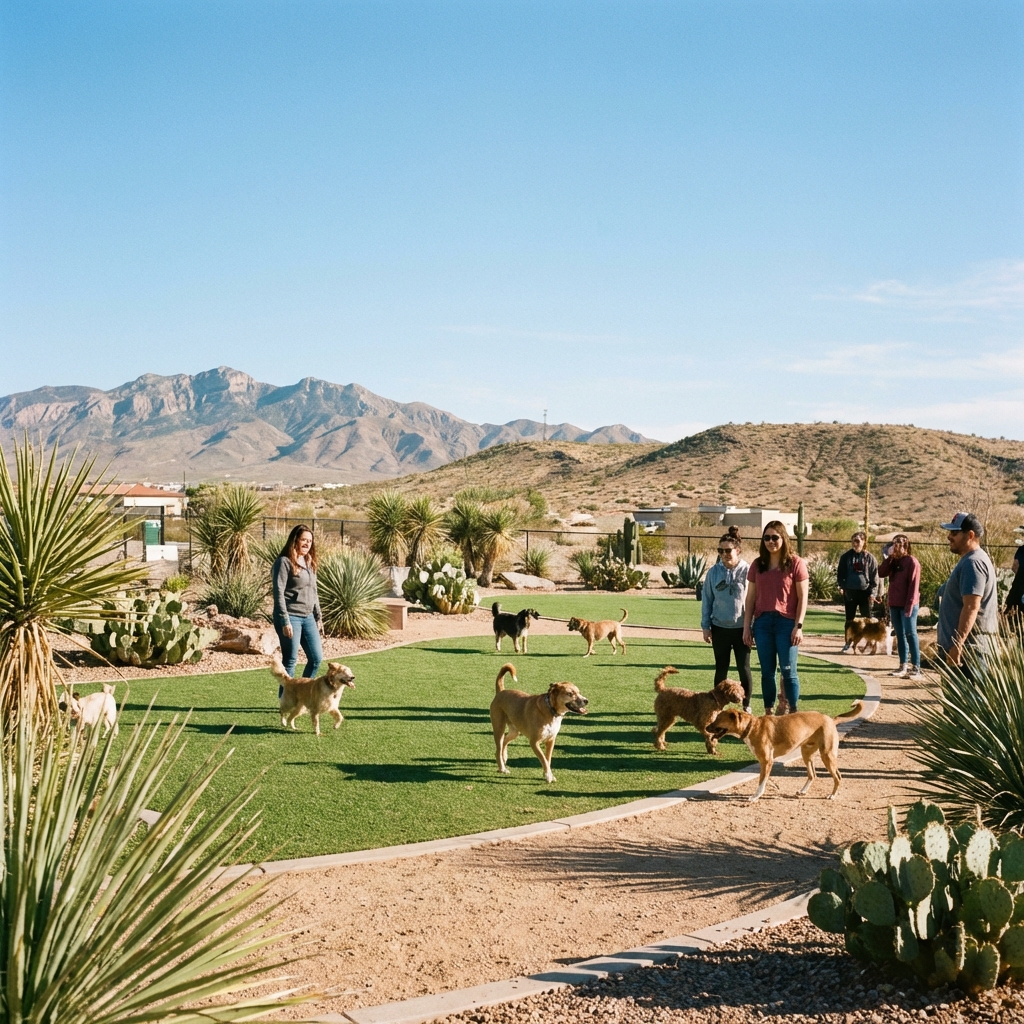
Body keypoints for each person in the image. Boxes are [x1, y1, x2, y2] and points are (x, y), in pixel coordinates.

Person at [742, 521, 809, 714]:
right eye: (767, 538)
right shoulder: (757, 564)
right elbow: (751, 598)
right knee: (767, 672)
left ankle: (793, 712)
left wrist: (799, 626)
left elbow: (803, 597)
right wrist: (747, 627)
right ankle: (769, 712)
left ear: (783, 538)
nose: (771, 542)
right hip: (762, 623)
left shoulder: (796, 563)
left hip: (786, 623)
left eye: (775, 537)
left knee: (788, 671)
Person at [936, 512, 998, 672]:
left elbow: (971, 606)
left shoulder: (973, 563)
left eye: (954, 533)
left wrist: (958, 644)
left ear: (970, 535)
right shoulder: (971, 560)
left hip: (968, 652)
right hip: (966, 650)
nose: (949, 536)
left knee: (970, 696)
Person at [701, 526, 753, 713]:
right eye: (720, 550)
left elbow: (754, 601)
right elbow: (707, 599)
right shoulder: (713, 572)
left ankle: (746, 704)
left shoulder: (748, 571)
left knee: (743, 667)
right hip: (719, 627)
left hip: (742, 628)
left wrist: (751, 627)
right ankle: (718, 706)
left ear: (737, 550)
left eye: (728, 550)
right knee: (721, 668)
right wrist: (705, 626)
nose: (724, 554)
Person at [272, 524, 324, 692]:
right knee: (290, 660)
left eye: (310, 541)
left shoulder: (309, 561)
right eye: (303, 540)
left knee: (316, 658)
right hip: (290, 616)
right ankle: (285, 700)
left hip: (308, 616)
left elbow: (313, 591)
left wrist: (318, 616)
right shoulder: (284, 562)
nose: (307, 544)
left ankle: (303, 693)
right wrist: (284, 620)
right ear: (295, 540)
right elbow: (278, 593)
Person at [878, 534, 922, 679]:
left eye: (901, 544)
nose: (898, 547)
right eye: (895, 544)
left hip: (908, 604)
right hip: (894, 604)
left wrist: (909, 606)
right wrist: (889, 558)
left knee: (910, 633)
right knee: (900, 634)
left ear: (906, 546)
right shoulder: (894, 562)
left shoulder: (912, 562)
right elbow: (881, 572)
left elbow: (913, 587)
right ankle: (903, 665)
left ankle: (916, 667)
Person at [837, 532, 878, 651]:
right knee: (850, 619)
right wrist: (842, 586)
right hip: (850, 592)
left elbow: (874, 576)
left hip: (865, 592)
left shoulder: (870, 558)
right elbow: (840, 574)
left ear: (864, 542)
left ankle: (870, 642)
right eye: (853, 541)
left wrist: (872, 593)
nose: (855, 544)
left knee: (867, 619)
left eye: (858, 541)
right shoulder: (846, 557)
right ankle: (847, 642)